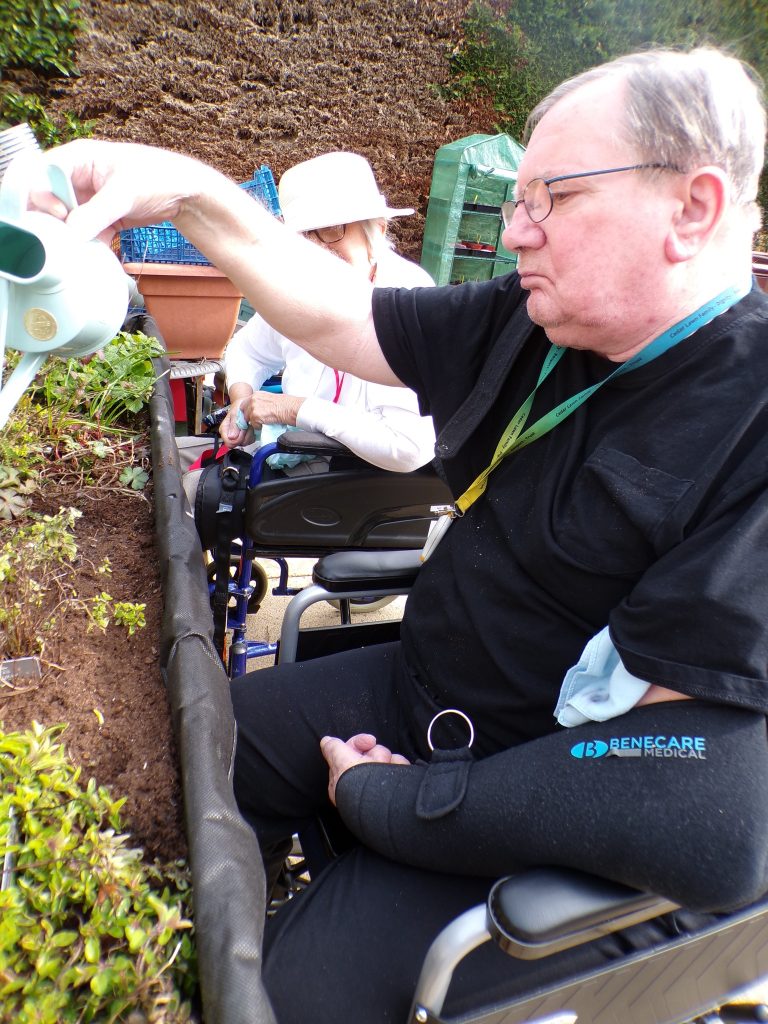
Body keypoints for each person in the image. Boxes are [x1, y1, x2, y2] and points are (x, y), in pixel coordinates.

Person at [35, 46, 768, 1023]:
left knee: (276, 997)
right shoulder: (540, 323)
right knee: (193, 752)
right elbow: (342, 314)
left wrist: (401, 804)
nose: (517, 232)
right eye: (518, 200)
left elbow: (707, 813)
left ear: (695, 206)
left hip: (531, 808)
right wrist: (187, 194)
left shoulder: (751, 427)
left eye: (551, 198)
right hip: (419, 690)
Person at [219, 151, 436, 473]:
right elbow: (248, 349)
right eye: (304, 236)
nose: (317, 248)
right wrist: (241, 396)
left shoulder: (407, 298)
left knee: (197, 495)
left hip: (365, 483)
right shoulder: (297, 287)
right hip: (298, 457)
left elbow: (406, 449)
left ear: (376, 228)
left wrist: (294, 410)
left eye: (332, 229)